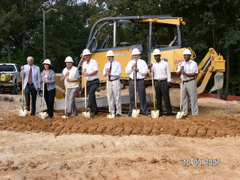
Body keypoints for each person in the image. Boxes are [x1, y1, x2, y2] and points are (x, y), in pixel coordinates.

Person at [125, 48, 148, 117]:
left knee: (142, 97)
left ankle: (145, 112)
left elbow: (144, 72)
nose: (134, 56)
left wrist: (137, 70)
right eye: (133, 55)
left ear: (139, 55)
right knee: (131, 97)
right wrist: (132, 67)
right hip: (132, 81)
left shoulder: (143, 62)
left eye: (136, 55)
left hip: (140, 81)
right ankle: (131, 111)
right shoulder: (130, 63)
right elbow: (127, 72)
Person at [149, 49, 173, 116]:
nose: (156, 57)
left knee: (166, 97)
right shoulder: (153, 64)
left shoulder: (165, 63)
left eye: (157, 56)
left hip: (164, 81)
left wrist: (168, 81)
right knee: (158, 98)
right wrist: (150, 68)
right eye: (155, 56)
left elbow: (168, 72)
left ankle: (169, 112)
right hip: (157, 82)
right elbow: (151, 74)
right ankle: (159, 112)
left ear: (160, 56)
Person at [176, 49, 199, 116]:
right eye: (184, 55)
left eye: (187, 55)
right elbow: (177, 74)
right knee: (183, 98)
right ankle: (184, 112)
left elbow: (195, 74)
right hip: (183, 82)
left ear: (190, 55)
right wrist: (180, 71)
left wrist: (186, 74)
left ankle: (194, 113)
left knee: (193, 98)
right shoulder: (181, 64)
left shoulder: (193, 63)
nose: (185, 56)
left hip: (191, 82)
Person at [103, 50, 122, 117]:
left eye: (110, 56)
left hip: (115, 81)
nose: (109, 58)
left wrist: (110, 74)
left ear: (113, 56)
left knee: (117, 96)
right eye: (108, 57)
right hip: (108, 81)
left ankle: (118, 112)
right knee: (109, 97)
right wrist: (106, 72)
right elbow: (104, 74)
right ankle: (111, 111)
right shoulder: (106, 65)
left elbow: (119, 73)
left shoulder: (117, 64)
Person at [82, 49, 99, 117]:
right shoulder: (84, 64)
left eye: (87, 55)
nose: (86, 56)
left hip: (95, 81)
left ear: (90, 55)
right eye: (85, 55)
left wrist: (88, 74)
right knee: (92, 96)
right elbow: (84, 73)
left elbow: (96, 71)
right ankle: (95, 112)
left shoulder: (94, 62)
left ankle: (89, 106)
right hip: (88, 82)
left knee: (91, 93)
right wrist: (83, 72)